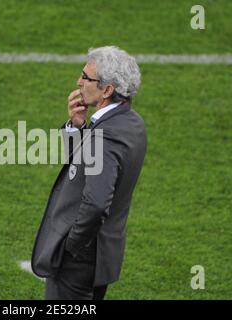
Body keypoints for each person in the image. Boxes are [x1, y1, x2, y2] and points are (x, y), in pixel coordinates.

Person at [31, 46, 147, 300]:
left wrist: (71, 246)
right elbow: (81, 168)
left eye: (86, 77)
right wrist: (76, 127)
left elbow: (96, 203)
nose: (79, 81)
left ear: (107, 90)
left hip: (79, 259)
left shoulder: (106, 136)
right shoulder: (132, 124)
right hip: (102, 254)